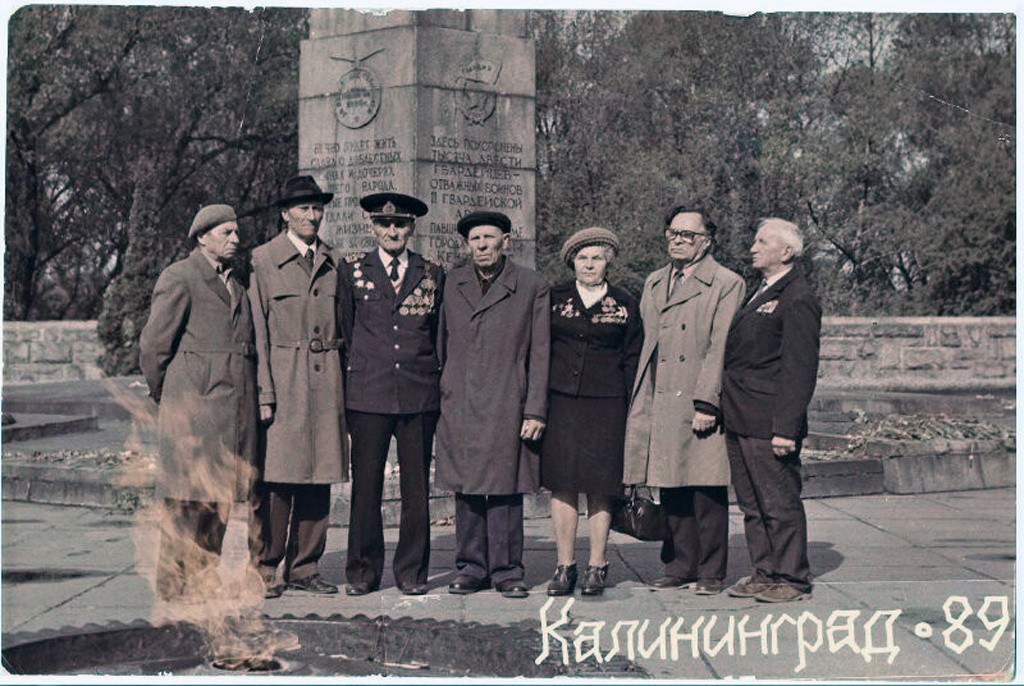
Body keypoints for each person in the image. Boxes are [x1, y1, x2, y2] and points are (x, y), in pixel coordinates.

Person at [623, 204, 745, 595]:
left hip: (697, 399)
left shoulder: (726, 283)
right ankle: (679, 565)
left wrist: (707, 402)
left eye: (687, 235)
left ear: (707, 241)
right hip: (660, 398)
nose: (677, 240)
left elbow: (720, 346)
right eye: (672, 233)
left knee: (706, 488)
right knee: (670, 484)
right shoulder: (655, 281)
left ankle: (710, 571)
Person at [139, 204, 258, 602]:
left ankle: (204, 582)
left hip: (230, 412)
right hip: (193, 411)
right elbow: (154, 347)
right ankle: (173, 587)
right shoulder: (181, 277)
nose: (235, 239)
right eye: (226, 232)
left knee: (218, 501)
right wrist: (168, 394)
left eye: (236, 232)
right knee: (186, 501)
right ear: (203, 237)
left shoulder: (236, 282)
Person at [434, 210, 550, 599]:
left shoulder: (531, 285)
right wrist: (446, 388)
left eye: (489, 237)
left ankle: (507, 570)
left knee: (505, 485)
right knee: (466, 485)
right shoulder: (452, 283)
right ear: (467, 244)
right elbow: (441, 343)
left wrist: (535, 409)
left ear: (505, 241)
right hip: (461, 399)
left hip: (507, 398)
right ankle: (470, 567)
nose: (482, 245)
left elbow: (541, 353)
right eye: (475, 239)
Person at [337, 192, 444, 596]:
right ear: (373, 227)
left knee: (417, 490)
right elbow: (346, 329)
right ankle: (363, 571)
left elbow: (437, 333)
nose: (392, 231)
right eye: (384, 224)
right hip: (369, 393)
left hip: (417, 393)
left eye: (400, 224)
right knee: (366, 488)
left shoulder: (431, 272)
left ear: (411, 228)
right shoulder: (352, 270)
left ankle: (412, 572)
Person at [248, 175, 348, 598]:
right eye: (304, 208)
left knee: (319, 477)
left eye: (317, 208)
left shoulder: (334, 260)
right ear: (285, 214)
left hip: (326, 383)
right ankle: (266, 568)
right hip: (284, 380)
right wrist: (264, 393)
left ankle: (306, 567)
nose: (312, 215)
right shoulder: (262, 260)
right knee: (277, 480)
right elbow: (257, 332)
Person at [722, 218, 821, 603]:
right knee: (752, 504)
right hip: (741, 415)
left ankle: (792, 578)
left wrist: (786, 428)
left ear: (787, 252)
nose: (753, 247)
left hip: (769, 421)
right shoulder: (761, 291)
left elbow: (799, 370)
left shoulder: (798, 297)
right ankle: (764, 572)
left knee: (779, 502)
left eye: (762, 242)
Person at [541, 227, 642, 597]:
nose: (589, 264)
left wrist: (631, 407)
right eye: (582, 258)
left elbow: (632, 357)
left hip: (607, 403)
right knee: (563, 483)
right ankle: (564, 565)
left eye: (596, 258)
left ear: (608, 261)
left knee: (601, 485)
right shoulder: (554, 298)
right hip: (561, 402)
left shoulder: (625, 302)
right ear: (572, 262)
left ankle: (597, 565)